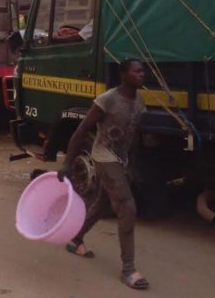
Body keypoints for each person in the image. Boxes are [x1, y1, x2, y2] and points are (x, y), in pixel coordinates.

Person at [57, 58, 148, 290]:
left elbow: (134, 136)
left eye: (143, 71)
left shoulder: (139, 101)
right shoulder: (107, 100)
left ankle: (75, 239)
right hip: (103, 156)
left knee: (103, 203)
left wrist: (133, 165)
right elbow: (81, 131)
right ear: (124, 74)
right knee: (127, 206)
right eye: (137, 71)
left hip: (121, 160)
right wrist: (67, 163)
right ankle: (128, 270)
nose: (142, 74)